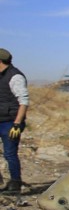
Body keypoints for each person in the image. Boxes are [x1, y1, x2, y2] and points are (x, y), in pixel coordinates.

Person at [0, 48, 28, 194]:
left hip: (10, 122)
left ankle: (15, 184)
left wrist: (17, 123)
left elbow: (23, 102)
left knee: (10, 154)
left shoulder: (15, 77)